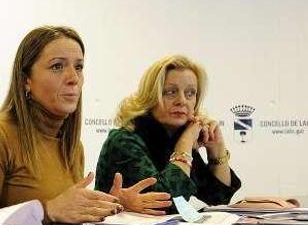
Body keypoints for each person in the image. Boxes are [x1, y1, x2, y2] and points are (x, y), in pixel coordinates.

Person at [0, 26, 171, 224]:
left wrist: (111, 206)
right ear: (26, 80)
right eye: (57, 66)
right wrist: (47, 210)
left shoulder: (73, 146)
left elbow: (64, 223)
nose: (73, 78)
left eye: (78, 67)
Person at [95, 54, 240, 209]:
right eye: (171, 92)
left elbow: (219, 197)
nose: (182, 101)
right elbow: (165, 201)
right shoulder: (124, 141)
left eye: (190, 93)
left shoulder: (175, 136)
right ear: (151, 96)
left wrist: (217, 150)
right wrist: (184, 144)